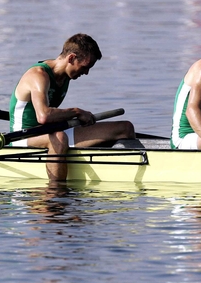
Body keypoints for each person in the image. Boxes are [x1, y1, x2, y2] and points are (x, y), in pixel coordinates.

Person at [9, 33, 135, 181]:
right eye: (85, 67)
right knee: (60, 137)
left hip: (51, 132)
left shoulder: (65, 76)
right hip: (23, 137)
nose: (86, 73)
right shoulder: (39, 75)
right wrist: (76, 112)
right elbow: (43, 116)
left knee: (125, 128)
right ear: (71, 58)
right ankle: (56, 194)